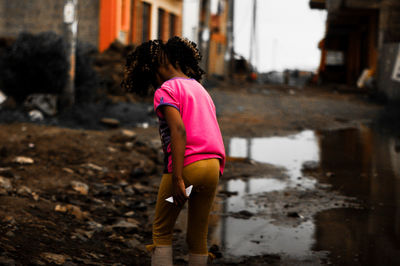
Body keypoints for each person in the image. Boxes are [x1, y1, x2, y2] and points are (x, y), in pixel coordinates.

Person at [123, 37, 225, 266]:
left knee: (161, 230)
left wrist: (178, 178)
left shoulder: (165, 90)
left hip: (187, 171)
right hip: (211, 170)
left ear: (151, 70)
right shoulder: (199, 89)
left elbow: (179, 130)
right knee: (198, 236)